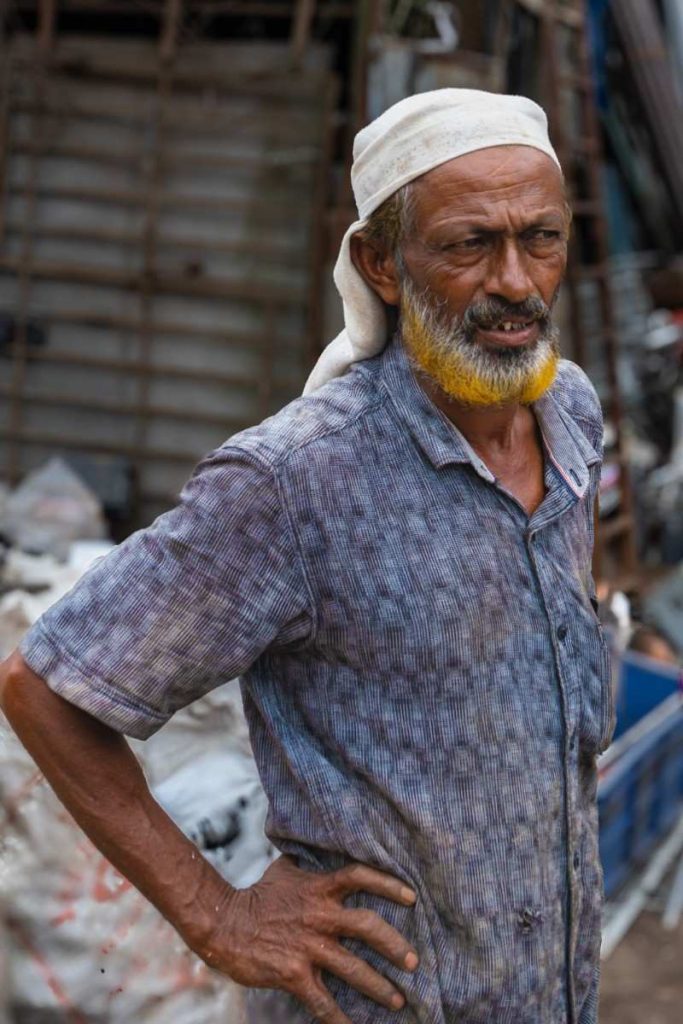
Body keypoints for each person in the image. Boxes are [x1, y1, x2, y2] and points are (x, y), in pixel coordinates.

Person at [0, 90, 613, 1024]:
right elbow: (44, 687)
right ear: (379, 263)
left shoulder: (570, 412)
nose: (517, 282)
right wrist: (218, 917)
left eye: (541, 238)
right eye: (466, 244)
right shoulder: (295, 481)